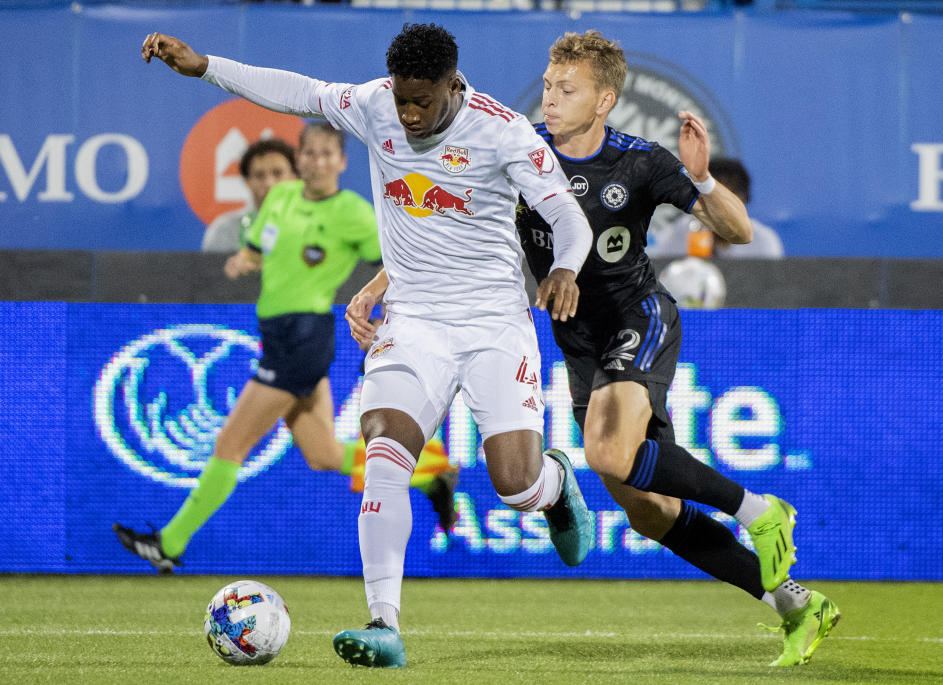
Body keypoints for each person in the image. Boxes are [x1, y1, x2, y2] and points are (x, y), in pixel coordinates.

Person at [139, 23, 596, 669]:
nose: (408, 114)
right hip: (410, 323)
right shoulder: (374, 103)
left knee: (513, 484)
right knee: (383, 454)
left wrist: (566, 268)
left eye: (422, 102)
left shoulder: (503, 132)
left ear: (453, 85)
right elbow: (295, 91)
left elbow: (567, 220)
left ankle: (553, 486)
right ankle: (383, 622)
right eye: (402, 100)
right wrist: (205, 65)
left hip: (493, 323)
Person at [516, 31, 839, 667]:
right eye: (549, 85)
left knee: (608, 452)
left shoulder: (639, 161)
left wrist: (701, 180)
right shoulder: (520, 153)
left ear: (605, 99)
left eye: (567, 89)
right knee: (650, 511)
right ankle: (797, 605)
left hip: (639, 318)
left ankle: (759, 509)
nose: (550, 99)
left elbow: (738, 230)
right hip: (579, 344)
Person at [114, 122, 460, 574]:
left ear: (342, 162)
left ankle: (170, 543)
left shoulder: (352, 214)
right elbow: (258, 250)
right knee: (323, 455)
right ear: (299, 160)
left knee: (230, 444)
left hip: (303, 339)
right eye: (310, 153)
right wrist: (245, 260)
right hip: (278, 336)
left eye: (326, 154)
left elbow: (402, 263)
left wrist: (381, 304)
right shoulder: (279, 199)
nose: (317, 162)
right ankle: (431, 473)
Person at [647, 157, 785, 260]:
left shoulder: (764, 242)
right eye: (713, 200)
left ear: (745, 200)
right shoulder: (675, 236)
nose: (721, 210)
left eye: (730, 200)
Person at [201, 137, 297, 252]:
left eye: (278, 173)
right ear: (247, 182)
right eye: (259, 175)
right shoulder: (226, 230)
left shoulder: (313, 224)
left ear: (295, 176)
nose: (269, 183)